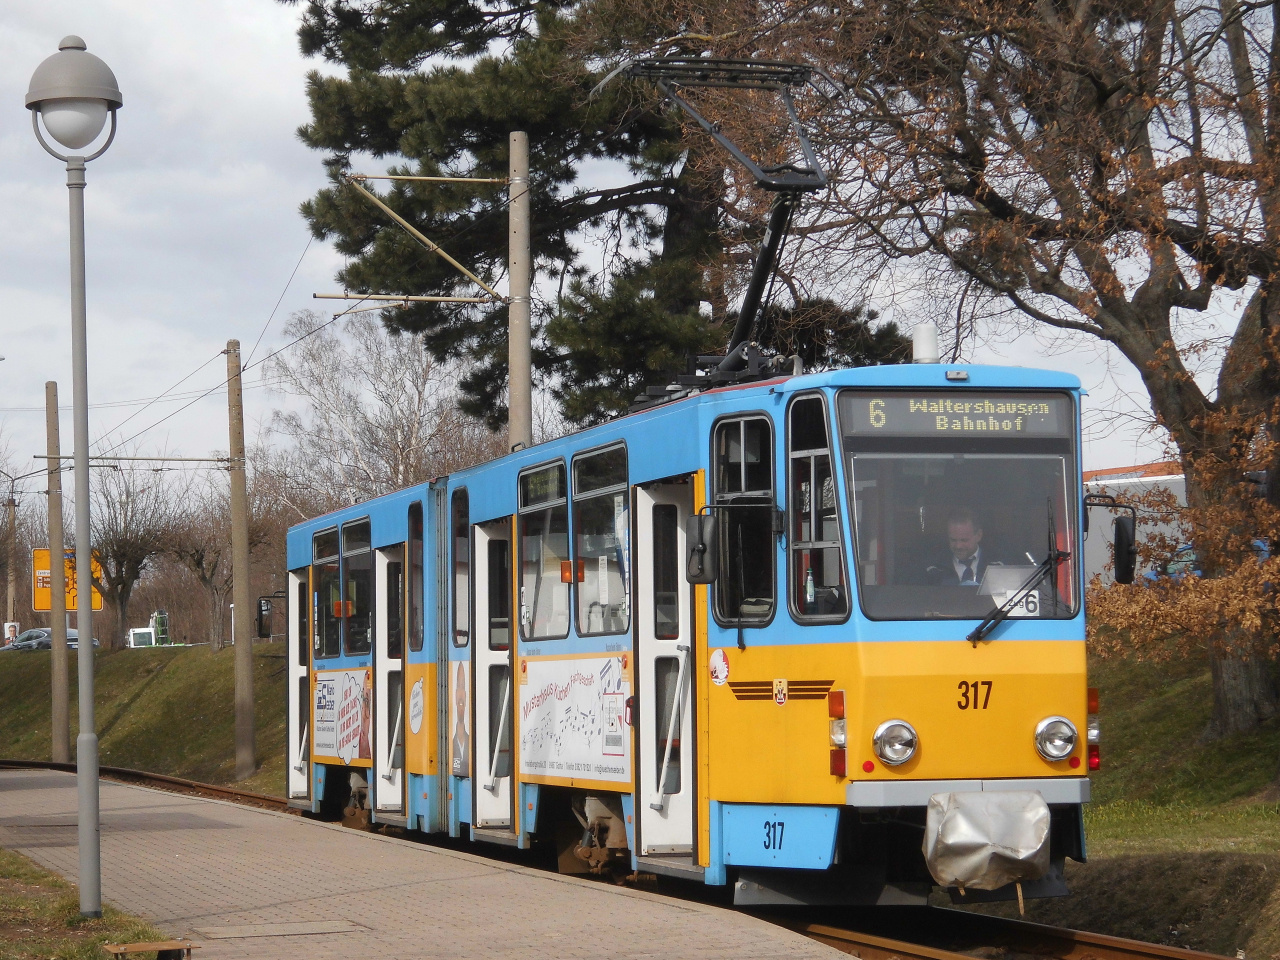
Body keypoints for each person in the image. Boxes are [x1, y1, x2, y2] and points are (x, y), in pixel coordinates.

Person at [924, 508, 1002, 586]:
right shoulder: (933, 567)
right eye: (953, 540)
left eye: (964, 540)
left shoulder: (998, 565)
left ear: (978, 535)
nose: (958, 546)